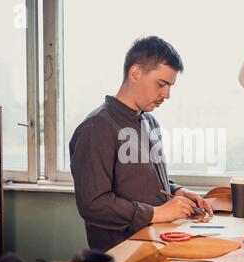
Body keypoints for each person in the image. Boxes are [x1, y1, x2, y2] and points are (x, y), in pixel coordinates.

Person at [69, 36, 213, 251]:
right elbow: (93, 205)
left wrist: (176, 192)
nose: (167, 94)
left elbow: (142, 182)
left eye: (170, 86)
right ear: (135, 73)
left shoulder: (150, 121)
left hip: (158, 240)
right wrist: (157, 213)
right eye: (161, 84)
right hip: (122, 253)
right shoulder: (96, 128)